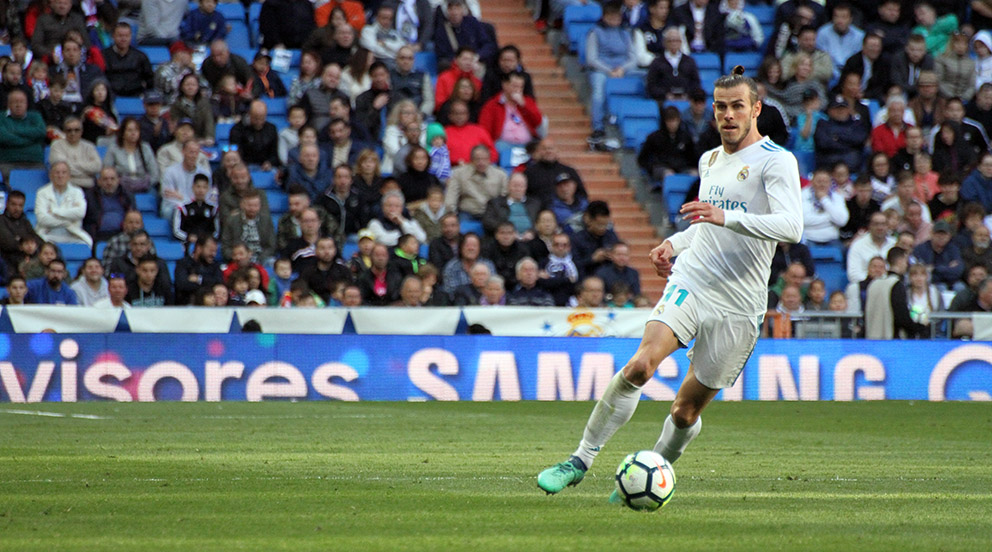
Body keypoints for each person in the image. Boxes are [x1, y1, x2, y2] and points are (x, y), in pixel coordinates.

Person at [536, 66, 803, 497]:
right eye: (721, 107)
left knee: (684, 411)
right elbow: (707, 227)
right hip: (694, 280)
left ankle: (655, 469)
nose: (728, 115)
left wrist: (724, 216)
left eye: (738, 106)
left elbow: (791, 227)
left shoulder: (777, 161)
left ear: (756, 109)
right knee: (640, 366)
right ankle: (579, 460)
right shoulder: (710, 160)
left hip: (739, 304)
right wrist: (676, 244)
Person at [587, 1, 639, 147]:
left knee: (642, 79)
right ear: (604, 17)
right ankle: (598, 127)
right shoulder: (595, 32)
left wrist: (622, 69)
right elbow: (592, 59)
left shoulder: (625, 33)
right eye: (611, 16)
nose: (615, 19)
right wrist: (609, 70)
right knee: (598, 93)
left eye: (617, 16)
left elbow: (633, 57)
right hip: (601, 69)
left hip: (623, 68)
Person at [865, 247, 928, 339]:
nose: (907, 264)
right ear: (900, 260)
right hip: (890, 340)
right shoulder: (896, 285)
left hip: (872, 338)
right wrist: (919, 327)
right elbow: (901, 317)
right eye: (906, 260)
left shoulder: (874, 284)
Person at [35, 161, 92, 247]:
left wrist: (55, 211)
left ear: (69, 176)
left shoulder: (77, 192)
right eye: (57, 173)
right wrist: (68, 221)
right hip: (48, 234)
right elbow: (42, 219)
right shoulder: (42, 192)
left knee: (86, 244)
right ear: (51, 175)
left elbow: (80, 213)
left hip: (72, 234)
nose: (60, 176)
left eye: (64, 173)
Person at [160, 139, 212, 222]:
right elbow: (168, 197)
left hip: (197, 206)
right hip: (174, 208)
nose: (193, 156)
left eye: (196, 153)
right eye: (191, 152)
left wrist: (181, 197)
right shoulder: (170, 172)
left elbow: (206, 196)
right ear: (183, 152)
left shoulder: (205, 173)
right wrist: (190, 201)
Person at [221, 189, 276, 264]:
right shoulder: (232, 220)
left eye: (255, 206)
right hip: (238, 259)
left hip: (261, 258)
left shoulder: (266, 220)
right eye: (249, 205)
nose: (252, 209)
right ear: (242, 205)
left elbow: (271, 246)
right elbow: (225, 247)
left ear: (260, 205)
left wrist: (261, 258)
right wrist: (236, 256)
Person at [481, 172, 541, 237]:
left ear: (526, 187)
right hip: (505, 240)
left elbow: (540, 223)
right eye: (515, 186)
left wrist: (532, 232)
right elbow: (488, 221)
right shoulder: (495, 203)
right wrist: (507, 232)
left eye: (521, 186)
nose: (518, 189)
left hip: (530, 240)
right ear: (508, 186)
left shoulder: (535, 204)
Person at [102, 23, 153, 98]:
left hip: (136, 96)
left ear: (131, 37)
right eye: (120, 36)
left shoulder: (140, 56)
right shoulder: (103, 55)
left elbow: (150, 79)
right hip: (111, 96)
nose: (123, 39)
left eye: (126, 36)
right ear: (113, 36)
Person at [83, 166, 134, 242]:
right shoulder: (90, 196)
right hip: (98, 235)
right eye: (105, 179)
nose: (109, 182)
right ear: (99, 181)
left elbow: (133, 214)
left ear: (118, 180)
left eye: (112, 179)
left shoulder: (126, 195)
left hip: (122, 234)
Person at [49, 116, 102, 188]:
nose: (73, 133)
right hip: (67, 187)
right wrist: (87, 172)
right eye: (69, 130)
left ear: (81, 131)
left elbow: (97, 167)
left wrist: (73, 165)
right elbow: (61, 169)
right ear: (64, 131)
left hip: (89, 188)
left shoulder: (89, 146)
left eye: (76, 130)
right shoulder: (56, 145)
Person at [0, 190, 42, 268]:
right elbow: (8, 243)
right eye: (13, 205)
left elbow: (36, 239)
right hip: (8, 261)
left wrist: (20, 240)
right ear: (7, 204)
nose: (17, 208)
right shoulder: (1, 221)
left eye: (20, 205)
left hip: (28, 259)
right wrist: (27, 244)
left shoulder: (25, 221)